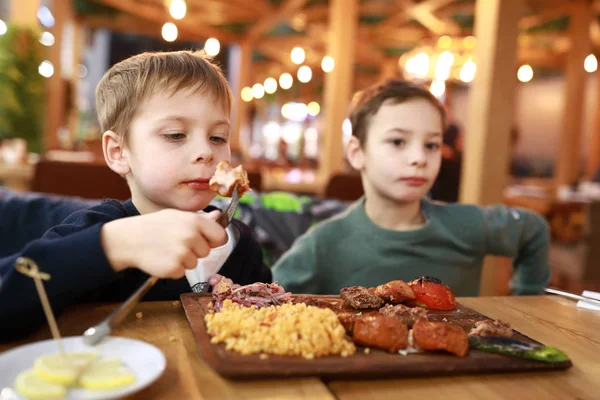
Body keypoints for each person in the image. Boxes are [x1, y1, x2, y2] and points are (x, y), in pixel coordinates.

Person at [0, 51, 270, 340]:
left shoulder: (241, 245)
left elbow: (273, 321)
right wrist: (115, 246)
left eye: (218, 137)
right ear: (119, 152)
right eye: (176, 135)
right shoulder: (100, 229)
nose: (206, 152)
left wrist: (245, 301)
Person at [271, 79, 550, 297]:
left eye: (431, 145)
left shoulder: (467, 225)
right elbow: (262, 298)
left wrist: (526, 309)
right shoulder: (323, 244)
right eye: (397, 142)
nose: (419, 158)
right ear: (356, 152)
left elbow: (533, 230)